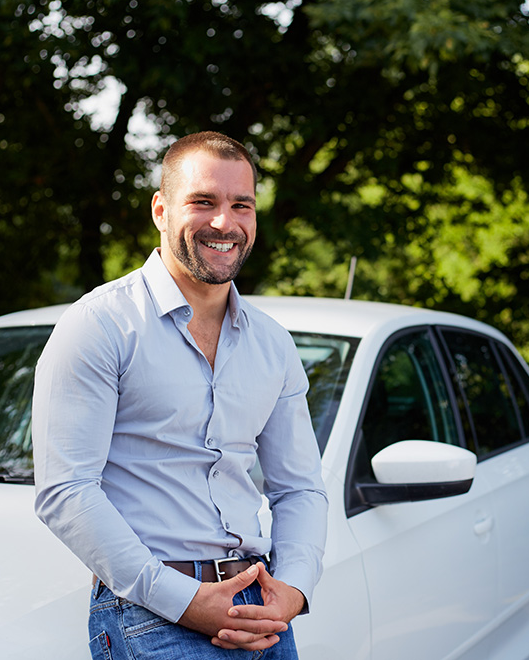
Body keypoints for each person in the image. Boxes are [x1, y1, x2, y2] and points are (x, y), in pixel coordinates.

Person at [33, 131, 328, 659]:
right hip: (152, 616)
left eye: (242, 205)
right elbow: (66, 491)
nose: (225, 223)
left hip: (263, 610)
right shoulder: (99, 325)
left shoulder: (272, 344)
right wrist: (187, 601)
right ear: (161, 210)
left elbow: (301, 488)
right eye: (203, 202)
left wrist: (295, 589)